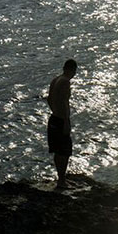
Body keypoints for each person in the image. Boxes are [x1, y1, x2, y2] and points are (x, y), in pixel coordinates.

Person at [47, 59, 78, 188]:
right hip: (61, 120)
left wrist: (55, 111)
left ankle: (61, 178)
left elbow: (49, 99)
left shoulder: (56, 80)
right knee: (64, 151)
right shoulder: (65, 82)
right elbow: (65, 102)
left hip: (53, 118)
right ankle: (61, 181)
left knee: (57, 151)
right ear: (72, 70)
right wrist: (66, 121)